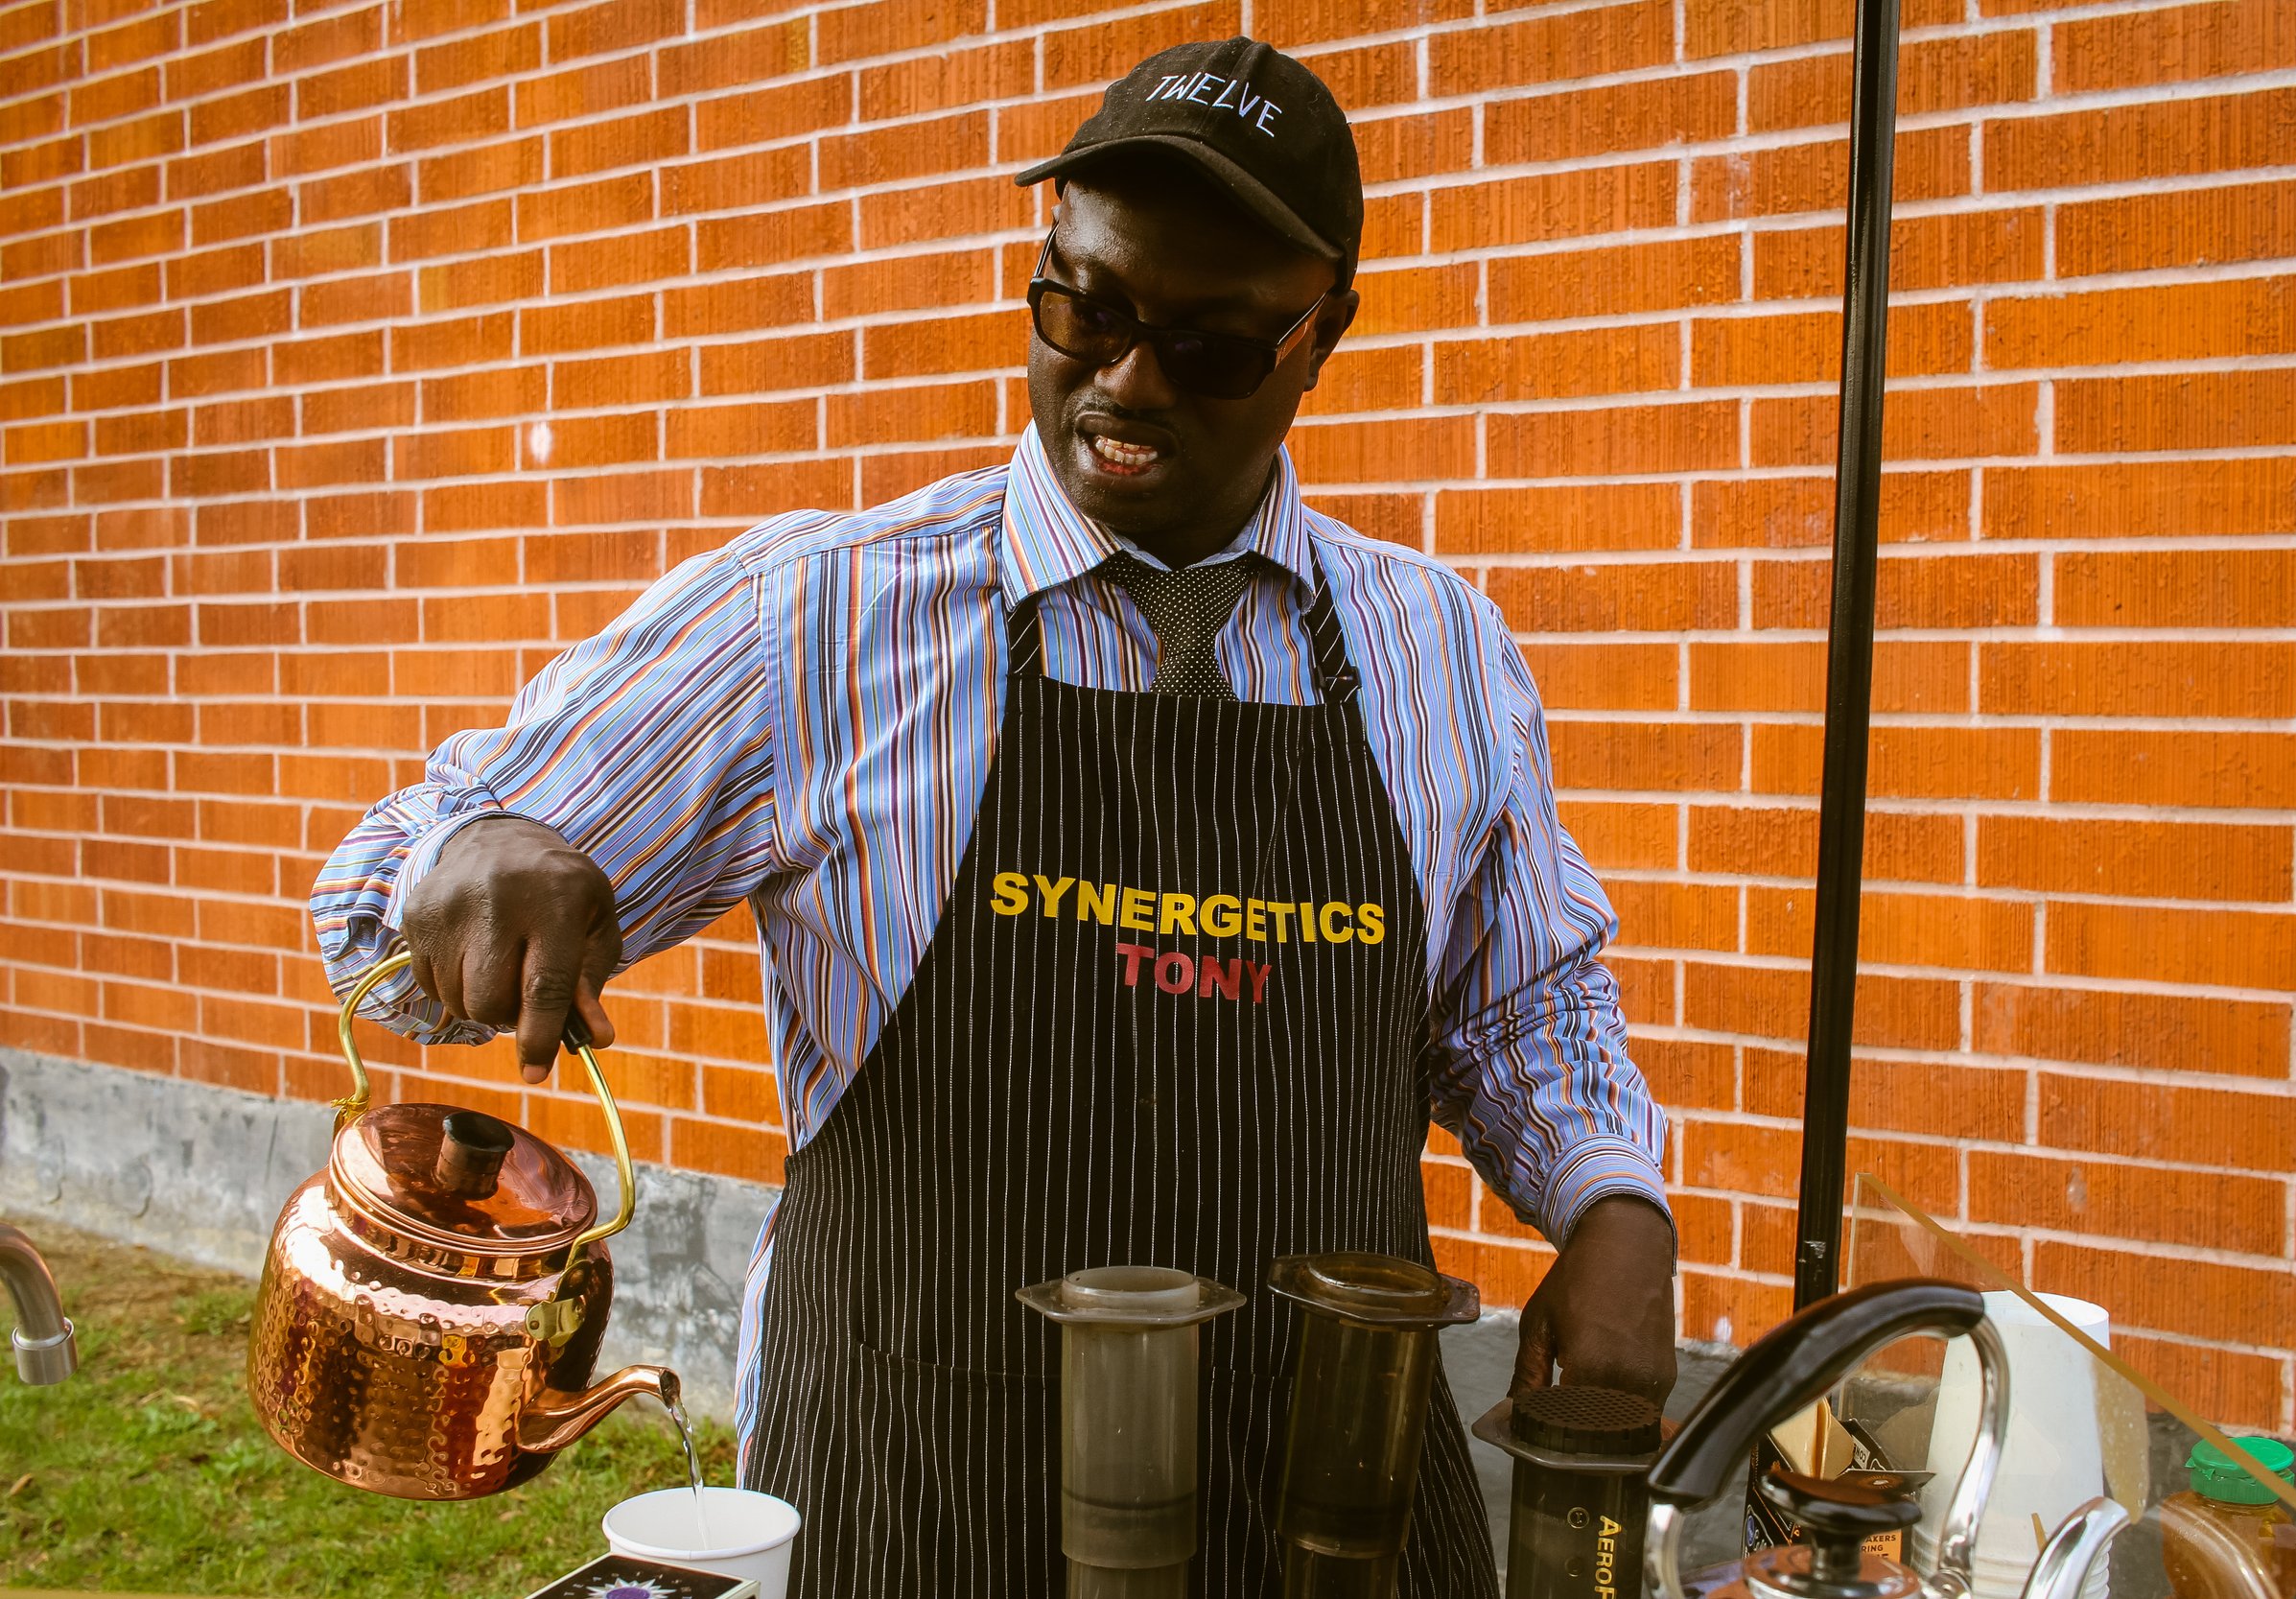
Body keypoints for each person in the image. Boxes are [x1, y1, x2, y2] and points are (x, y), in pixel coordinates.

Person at [314, 36, 1674, 1596]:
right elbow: (377, 906)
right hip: (923, 1512)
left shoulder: (1436, 651)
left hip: (1333, 1517)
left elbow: (1518, 1007)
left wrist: (1611, 1202)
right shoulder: (819, 623)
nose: (1127, 382)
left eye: (1213, 345)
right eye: (1085, 307)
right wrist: (468, 858)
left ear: (1323, 338)